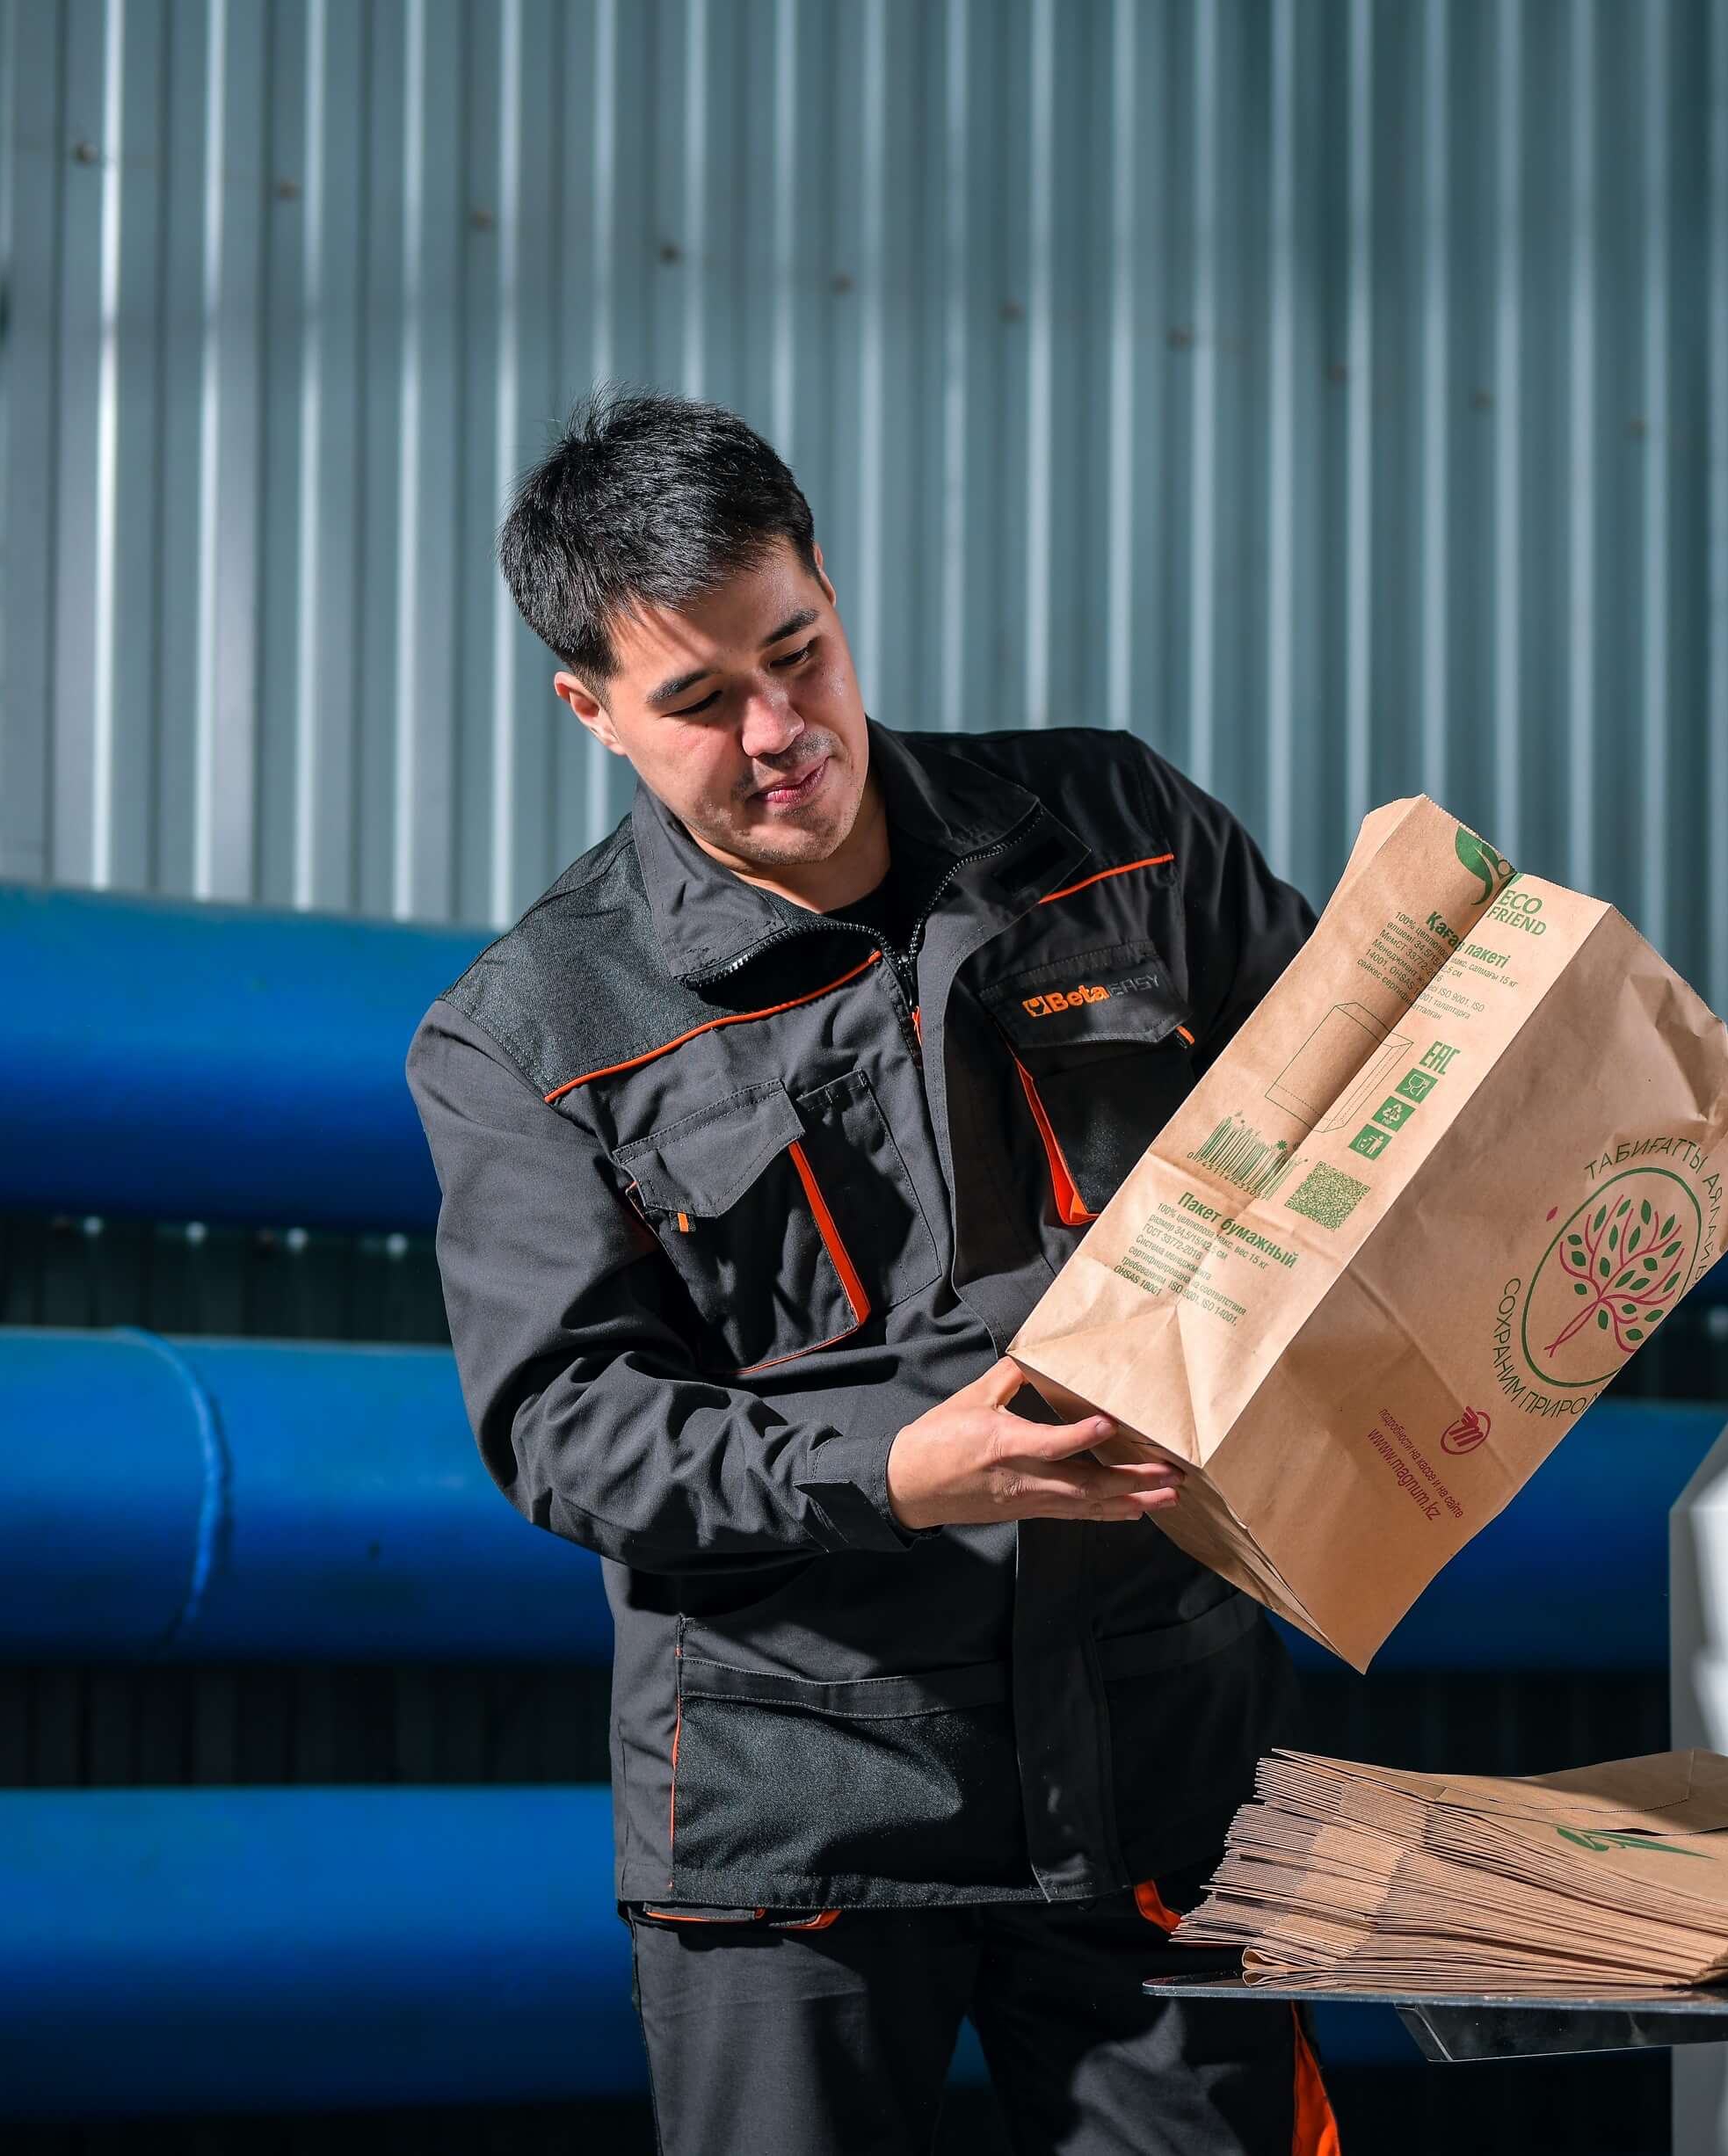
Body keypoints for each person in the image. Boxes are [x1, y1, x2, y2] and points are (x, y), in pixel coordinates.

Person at [406, 391, 1335, 2156]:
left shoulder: (1117, 833)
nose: (779, 731)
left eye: (798, 652)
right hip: (800, 1808)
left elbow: (1348, 1130)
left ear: (826, 584)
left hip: (1160, 1760)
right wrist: (898, 1475)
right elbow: (570, 1432)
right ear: (589, 710)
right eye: (697, 702)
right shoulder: (532, 1035)